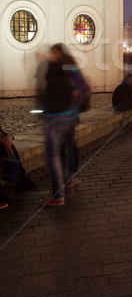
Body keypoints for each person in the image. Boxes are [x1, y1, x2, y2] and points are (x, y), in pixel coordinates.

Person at [40, 44, 75, 206]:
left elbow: (49, 93)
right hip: (67, 115)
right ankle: (68, 179)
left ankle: (58, 195)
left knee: (53, 156)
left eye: (52, 53)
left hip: (56, 117)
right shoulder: (67, 68)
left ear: (57, 54)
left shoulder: (55, 68)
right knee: (60, 152)